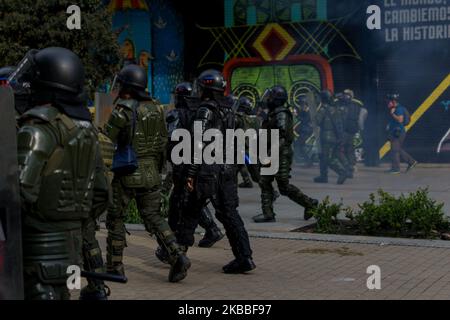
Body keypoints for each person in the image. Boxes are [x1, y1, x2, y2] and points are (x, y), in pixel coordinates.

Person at [15, 47, 110, 300]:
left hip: (36, 250)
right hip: (73, 250)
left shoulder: (37, 129)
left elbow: (18, 192)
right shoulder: (88, 132)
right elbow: (101, 193)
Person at [105, 64, 190, 283]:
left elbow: (106, 141)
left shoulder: (123, 110)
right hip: (152, 172)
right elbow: (163, 143)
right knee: (154, 217)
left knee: (115, 219)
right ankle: (177, 255)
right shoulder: (157, 109)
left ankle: (115, 266)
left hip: (127, 172)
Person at [176, 69, 256, 274]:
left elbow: (197, 144)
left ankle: (178, 258)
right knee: (229, 214)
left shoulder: (205, 111)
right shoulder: (229, 110)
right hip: (227, 171)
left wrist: (190, 174)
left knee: (190, 212)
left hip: (207, 171)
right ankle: (244, 257)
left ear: (206, 89)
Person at [155, 82, 224, 264]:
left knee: (178, 205)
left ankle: (171, 250)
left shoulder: (176, 114)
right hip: (197, 164)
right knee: (190, 201)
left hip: (181, 164)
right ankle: (210, 230)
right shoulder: (199, 112)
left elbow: (171, 139)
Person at [253, 86, 319, 223]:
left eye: (270, 97)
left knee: (283, 186)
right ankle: (268, 214)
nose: (267, 99)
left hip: (280, 154)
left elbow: (282, 137)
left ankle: (310, 203)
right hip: (272, 153)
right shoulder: (273, 113)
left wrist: (271, 154)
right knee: (264, 182)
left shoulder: (281, 114)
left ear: (276, 100)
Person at [314, 90, 348, 185]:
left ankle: (342, 172)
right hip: (335, 137)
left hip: (326, 137)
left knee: (327, 158)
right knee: (323, 157)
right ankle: (323, 176)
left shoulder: (323, 109)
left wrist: (313, 114)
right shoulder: (335, 109)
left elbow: (317, 121)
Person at [386, 95, 418, 174]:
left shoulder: (398, 109)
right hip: (396, 132)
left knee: (395, 150)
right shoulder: (396, 108)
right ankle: (411, 162)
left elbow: (400, 120)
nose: (387, 104)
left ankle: (396, 169)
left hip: (398, 133)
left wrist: (392, 114)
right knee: (397, 149)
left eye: (388, 102)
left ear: (393, 102)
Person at [235, 96, 261, 188]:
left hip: (245, 149)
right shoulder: (253, 118)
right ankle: (246, 181)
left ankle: (272, 192)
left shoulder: (239, 117)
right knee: (238, 165)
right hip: (246, 147)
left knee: (255, 174)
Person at [337, 89, 360, 178]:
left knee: (341, 150)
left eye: (347, 95)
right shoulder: (353, 105)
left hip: (346, 131)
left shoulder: (349, 105)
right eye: (344, 95)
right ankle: (350, 169)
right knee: (348, 149)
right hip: (349, 131)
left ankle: (348, 168)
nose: (345, 96)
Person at [294, 97, 314, 167]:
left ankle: (308, 161)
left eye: (302, 104)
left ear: (305, 104)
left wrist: (296, 116)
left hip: (307, 131)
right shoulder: (304, 111)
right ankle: (308, 161)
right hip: (304, 131)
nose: (300, 106)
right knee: (299, 145)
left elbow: (304, 120)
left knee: (298, 144)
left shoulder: (309, 112)